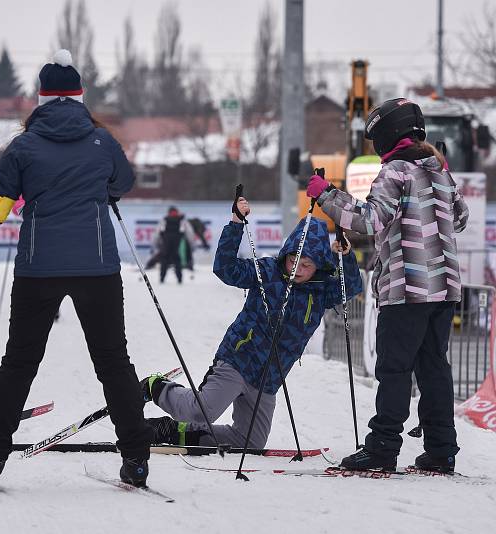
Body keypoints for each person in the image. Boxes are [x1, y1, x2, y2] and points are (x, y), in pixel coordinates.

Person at [0, 49, 153, 488]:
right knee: (113, 360)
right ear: (78, 96)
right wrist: (95, 189)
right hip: (98, 267)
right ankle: (136, 458)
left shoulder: (24, 146)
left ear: (42, 98)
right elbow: (122, 183)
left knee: (19, 362)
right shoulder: (101, 140)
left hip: (39, 268)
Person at [307, 98, 469, 473]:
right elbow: (460, 218)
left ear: (386, 134)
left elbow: (369, 220)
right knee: (433, 369)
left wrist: (325, 194)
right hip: (444, 289)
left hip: (408, 288)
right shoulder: (440, 172)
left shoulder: (395, 171)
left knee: (394, 369)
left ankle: (382, 448)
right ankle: (441, 451)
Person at [142, 197, 363, 449]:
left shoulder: (321, 290)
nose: (297, 269)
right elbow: (225, 269)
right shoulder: (267, 271)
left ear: (318, 266)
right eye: (293, 261)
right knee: (201, 411)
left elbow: (351, 288)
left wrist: (347, 258)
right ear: (285, 256)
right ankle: (156, 387)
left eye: (306, 265)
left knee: (249, 443)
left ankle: (174, 432)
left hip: (269, 378)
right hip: (239, 359)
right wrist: (236, 223)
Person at [157, 206, 196, 284]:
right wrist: (191, 245)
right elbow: (189, 233)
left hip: (166, 245)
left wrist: (158, 244)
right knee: (177, 261)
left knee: (164, 260)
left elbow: (158, 233)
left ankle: (162, 278)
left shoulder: (165, 220)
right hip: (177, 244)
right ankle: (179, 279)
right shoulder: (181, 220)